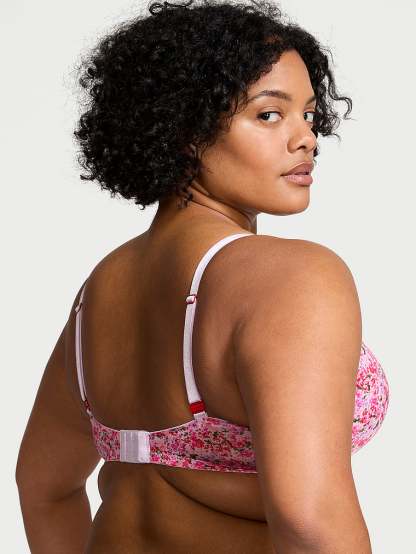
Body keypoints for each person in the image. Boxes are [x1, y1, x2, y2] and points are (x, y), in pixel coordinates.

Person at [15, 1, 389, 552]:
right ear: (185, 129)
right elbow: (310, 522)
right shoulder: (294, 277)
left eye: (309, 115)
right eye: (269, 114)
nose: (306, 138)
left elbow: (43, 487)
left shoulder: (102, 288)